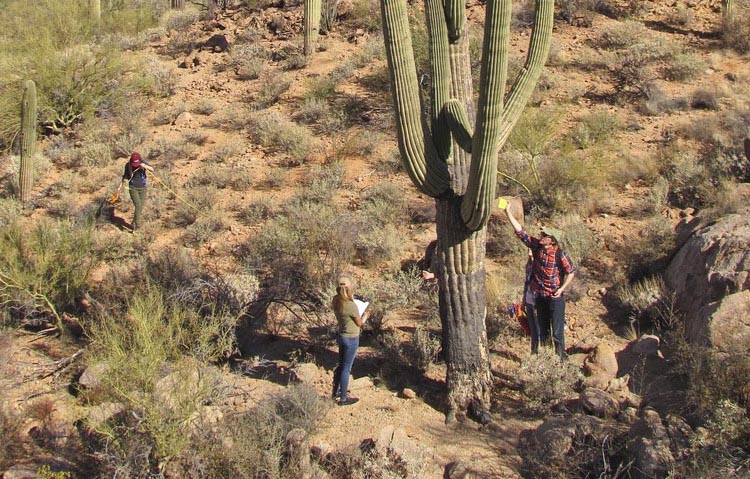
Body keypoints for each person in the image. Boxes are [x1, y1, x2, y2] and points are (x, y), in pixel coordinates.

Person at [504, 204, 575, 359]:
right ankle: (545, 359)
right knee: (543, 331)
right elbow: (520, 232)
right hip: (539, 297)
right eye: (542, 233)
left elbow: (570, 272)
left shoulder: (559, 255)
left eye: (545, 235)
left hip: (555, 297)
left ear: (552, 241)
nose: (541, 235)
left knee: (557, 332)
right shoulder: (536, 247)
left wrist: (561, 289)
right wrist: (508, 211)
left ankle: (562, 359)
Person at [332, 276, 367, 406]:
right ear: (348, 288)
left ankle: (335, 392)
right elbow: (359, 323)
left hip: (341, 336)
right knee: (346, 368)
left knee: (341, 366)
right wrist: (365, 316)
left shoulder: (336, 301)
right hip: (351, 338)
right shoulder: (351, 306)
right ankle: (343, 398)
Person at [117, 152, 154, 231]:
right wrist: (120, 186)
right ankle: (137, 225)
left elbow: (152, 169)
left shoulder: (143, 163)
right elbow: (125, 176)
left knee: (140, 207)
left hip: (143, 188)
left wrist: (144, 166)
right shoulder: (128, 165)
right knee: (138, 205)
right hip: (133, 188)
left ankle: (133, 222)